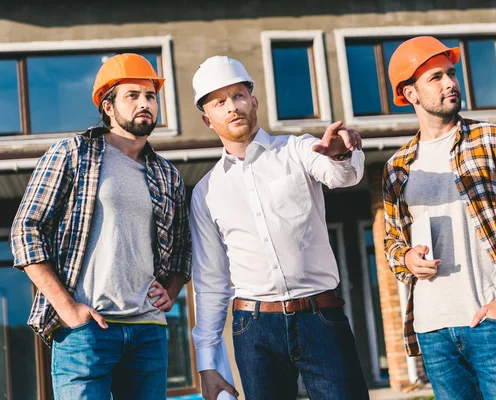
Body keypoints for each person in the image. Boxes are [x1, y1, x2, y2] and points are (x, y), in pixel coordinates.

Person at [10, 53, 192, 400]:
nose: (145, 104)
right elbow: (26, 230)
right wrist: (65, 306)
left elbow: (183, 246)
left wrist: (172, 287)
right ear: (108, 106)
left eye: (150, 96)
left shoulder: (167, 173)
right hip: (86, 330)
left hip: (147, 332)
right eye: (133, 95)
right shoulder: (72, 153)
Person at [382, 36, 496, 400]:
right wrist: (408, 259)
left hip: (493, 320)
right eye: (436, 78)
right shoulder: (397, 167)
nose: (451, 84)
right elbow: (392, 241)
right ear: (410, 94)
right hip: (432, 330)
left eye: (451, 74)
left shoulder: (495, 140)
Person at [190, 56, 370, 400]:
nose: (232, 107)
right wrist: (208, 363)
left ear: (253, 101)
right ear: (207, 119)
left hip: (321, 317)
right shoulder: (206, 192)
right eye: (220, 102)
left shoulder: (298, 149)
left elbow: (343, 176)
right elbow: (210, 282)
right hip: (254, 329)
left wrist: (340, 155)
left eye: (239, 96)